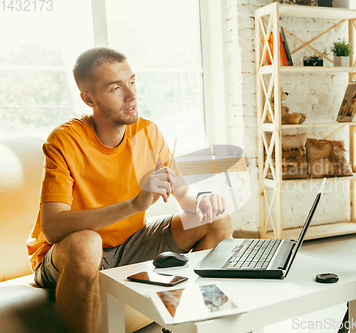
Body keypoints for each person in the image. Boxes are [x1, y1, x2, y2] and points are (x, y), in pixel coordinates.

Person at [26, 47, 233, 333]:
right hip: (70, 253)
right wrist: (135, 205)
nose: (131, 95)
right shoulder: (65, 141)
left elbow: (186, 199)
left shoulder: (147, 133)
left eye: (132, 82)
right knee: (87, 243)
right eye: (115, 88)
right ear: (89, 98)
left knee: (217, 220)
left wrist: (204, 200)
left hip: (129, 244)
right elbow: (52, 227)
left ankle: (190, 322)